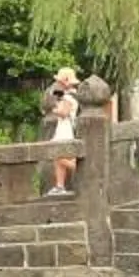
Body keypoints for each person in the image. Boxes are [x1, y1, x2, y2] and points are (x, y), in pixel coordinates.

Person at [42, 68, 82, 198]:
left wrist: (53, 109)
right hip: (62, 128)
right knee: (58, 157)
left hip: (65, 129)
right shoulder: (67, 95)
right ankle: (60, 185)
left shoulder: (70, 96)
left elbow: (64, 113)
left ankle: (81, 171)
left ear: (65, 81)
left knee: (58, 156)